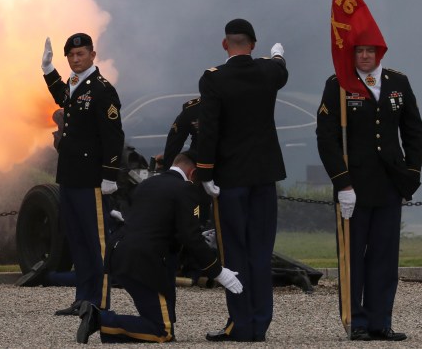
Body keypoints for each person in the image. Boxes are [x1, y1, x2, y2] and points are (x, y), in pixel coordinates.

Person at [75, 151, 243, 344]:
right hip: (143, 261)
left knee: (165, 320)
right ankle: (99, 319)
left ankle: (112, 326)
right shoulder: (185, 189)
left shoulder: (147, 184)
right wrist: (217, 271)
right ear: (193, 173)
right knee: (162, 331)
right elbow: (190, 237)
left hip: (120, 254)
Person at [316, 45, 422, 341]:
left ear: (380, 53)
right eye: (359, 51)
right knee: (353, 257)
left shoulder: (397, 82)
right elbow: (326, 137)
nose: (365, 56)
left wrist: (411, 176)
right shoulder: (338, 84)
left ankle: (380, 322)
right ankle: (357, 321)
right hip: (355, 185)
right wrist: (342, 183)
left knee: (385, 258)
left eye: (370, 51)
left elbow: (414, 130)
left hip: (389, 183)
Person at [196, 18, 287, 342]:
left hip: (231, 178)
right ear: (254, 44)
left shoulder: (214, 80)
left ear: (225, 44)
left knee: (234, 251)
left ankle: (241, 323)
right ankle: (260, 324)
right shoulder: (268, 72)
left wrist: (204, 172)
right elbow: (280, 69)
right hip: (264, 176)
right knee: (261, 253)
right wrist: (277, 56)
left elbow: (209, 129)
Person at [41, 33, 125, 316]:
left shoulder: (102, 89)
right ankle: (83, 298)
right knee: (77, 239)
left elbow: (114, 136)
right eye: (71, 56)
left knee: (96, 242)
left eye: (81, 54)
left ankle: (98, 302)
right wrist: (49, 71)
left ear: (92, 55)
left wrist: (110, 174)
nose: (76, 60)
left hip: (92, 179)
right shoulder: (75, 84)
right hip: (70, 176)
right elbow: (63, 98)